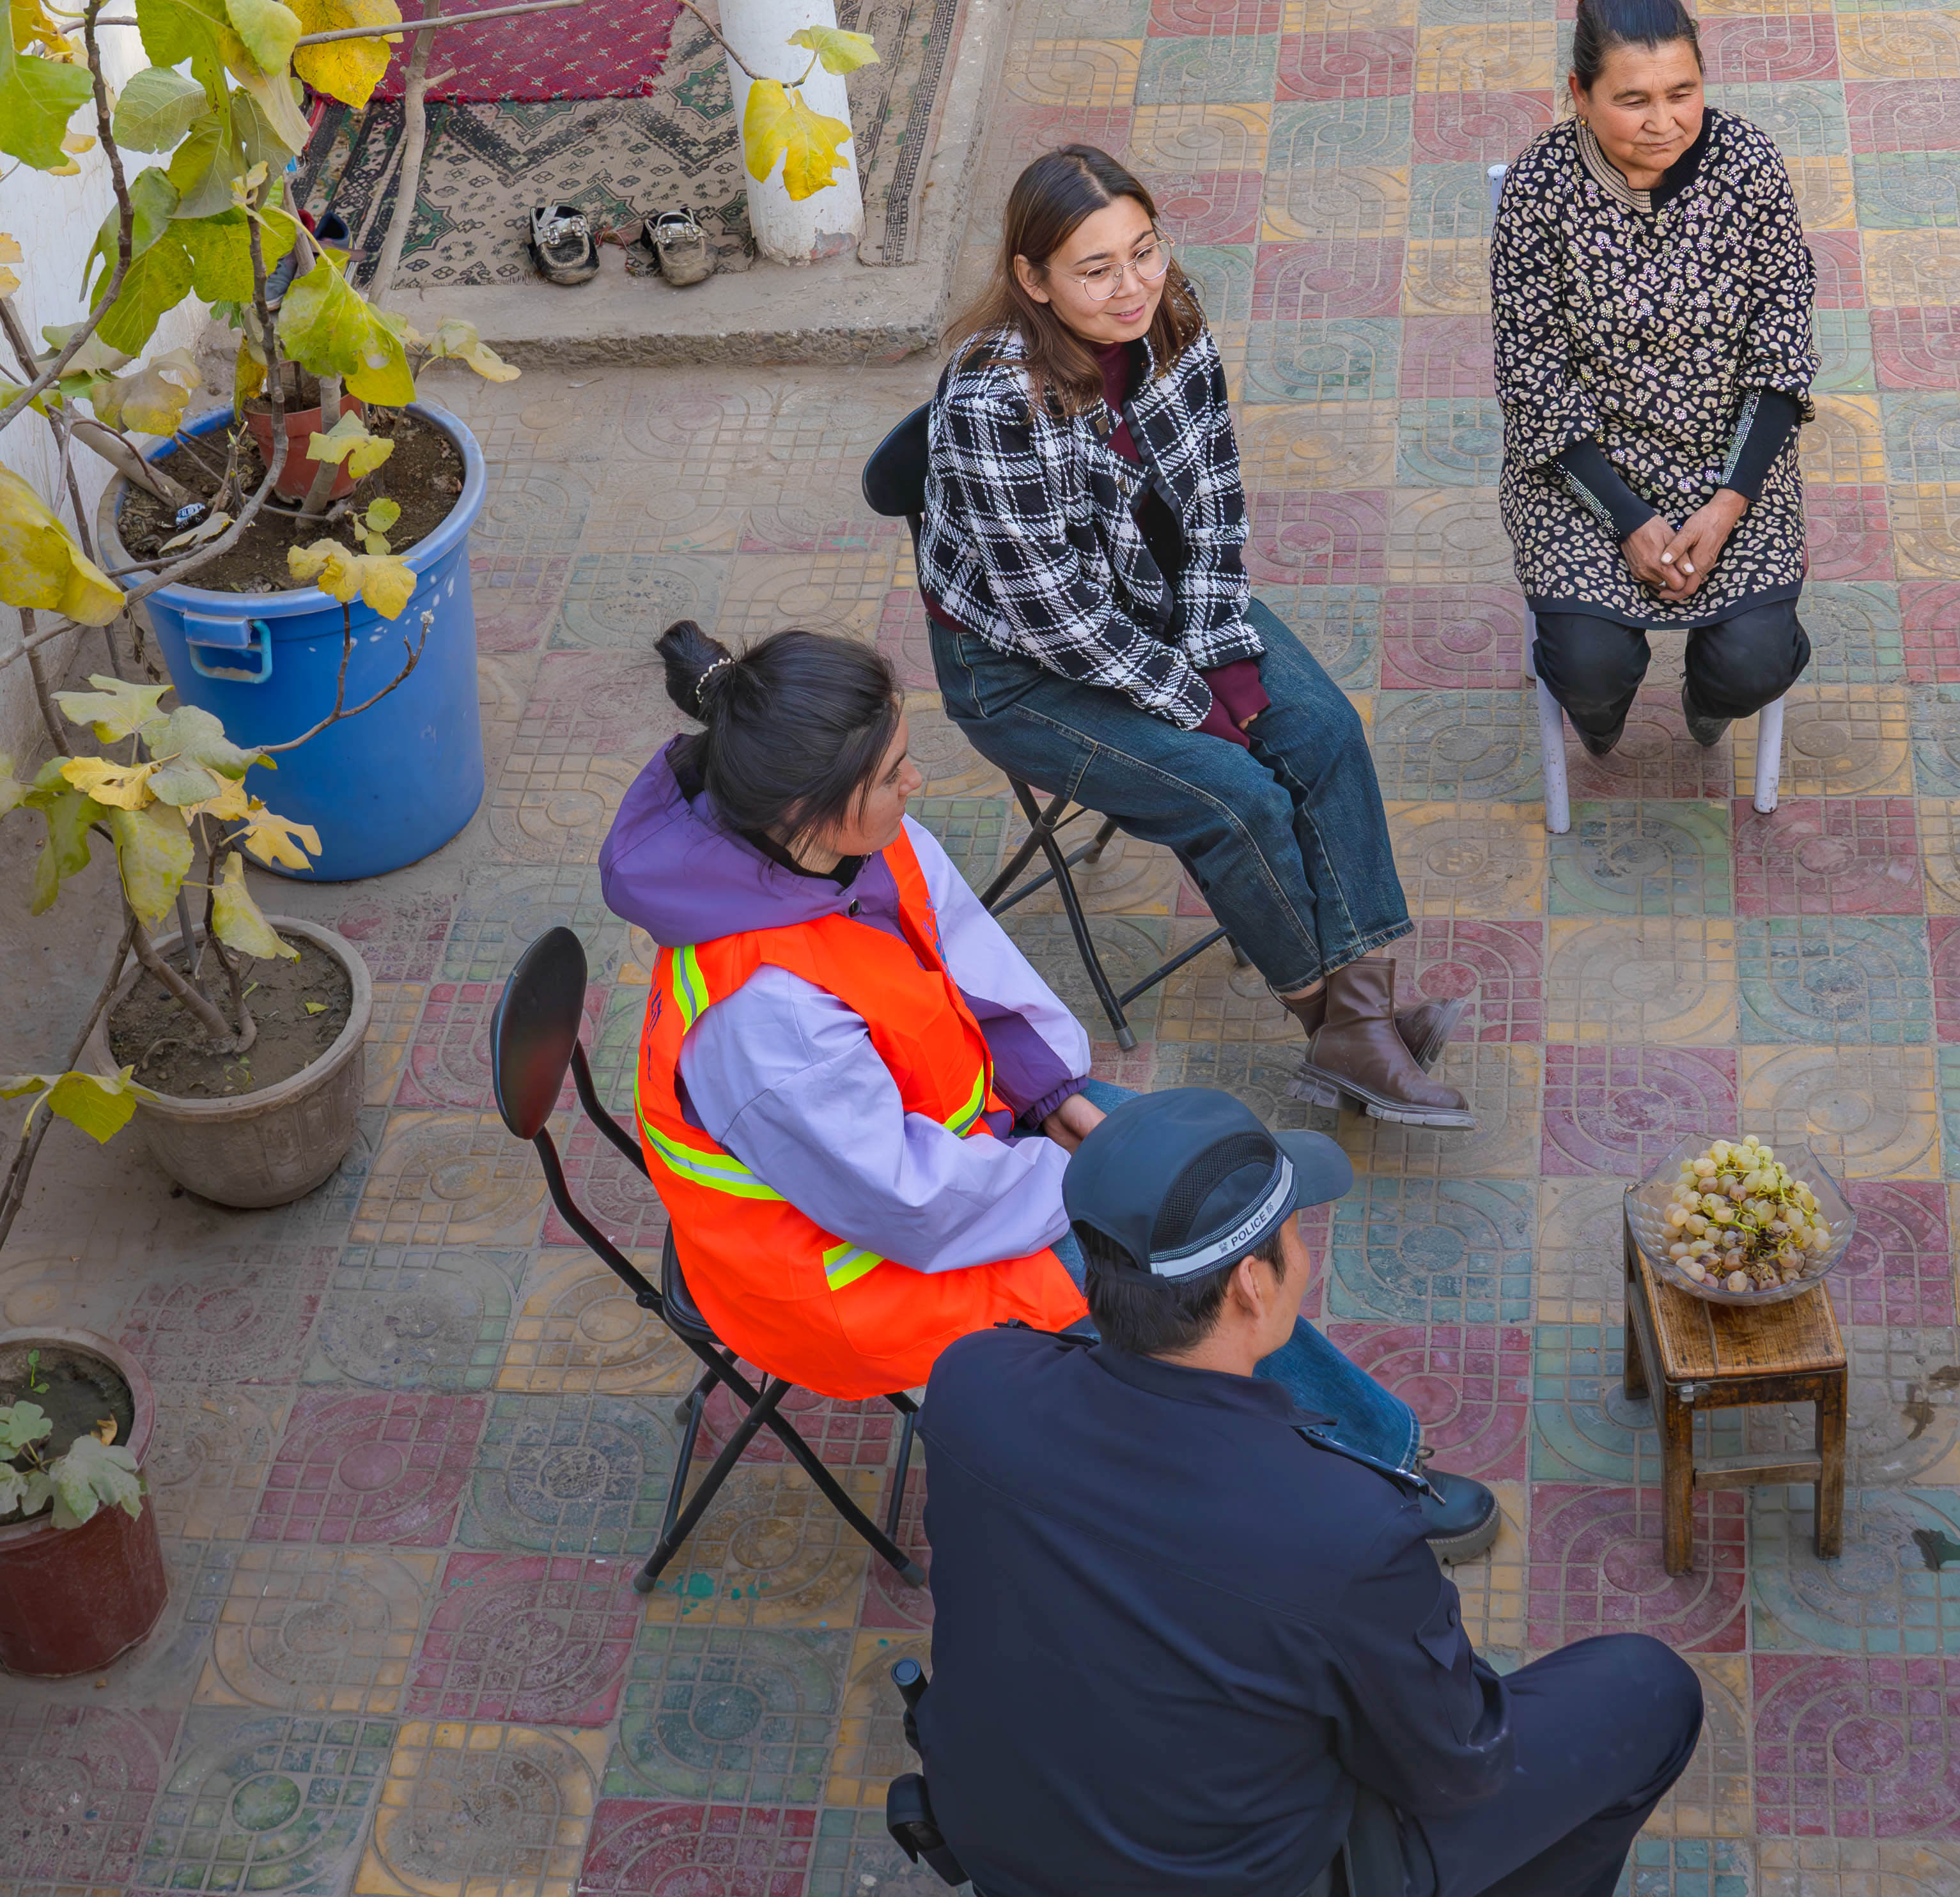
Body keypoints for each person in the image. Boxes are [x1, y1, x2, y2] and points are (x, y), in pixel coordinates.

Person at [598, 622, 1495, 1553]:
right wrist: (1079, 1182)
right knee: (1173, 1273)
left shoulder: (848, 841)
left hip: (971, 1152)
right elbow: (901, 1200)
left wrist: (1049, 1093)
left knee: (1195, 1187)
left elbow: (968, 960)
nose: (917, 782)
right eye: (893, 774)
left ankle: (1352, 1454)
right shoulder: (758, 1015)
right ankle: (1354, 1485)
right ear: (808, 812)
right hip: (848, 1262)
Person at [914, 1088, 1706, 1897]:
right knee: (1649, 1690)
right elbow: (1456, 1768)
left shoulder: (971, 1381)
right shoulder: (1341, 1528)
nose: (1307, 1249)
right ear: (1251, 1283)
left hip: (1001, 1849)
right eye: (1296, 1230)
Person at [921, 146, 1470, 1131]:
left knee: (1324, 729)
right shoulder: (992, 402)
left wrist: (1222, 652)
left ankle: (1363, 1015)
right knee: (1236, 795)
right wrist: (1200, 703)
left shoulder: (1169, 314)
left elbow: (1212, 497)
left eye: (1144, 250)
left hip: (1155, 591)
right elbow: (1057, 619)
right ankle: (1333, 1025)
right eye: (1096, 270)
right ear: (1033, 279)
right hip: (1020, 666)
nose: (1133, 286)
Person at [1491, 0, 1819, 755]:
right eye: (1632, 99)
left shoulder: (1749, 166)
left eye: (1682, 92)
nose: (1663, 123)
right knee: (1588, 667)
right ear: (1580, 93)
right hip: (1581, 472)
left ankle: (1710, 706)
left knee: (1754, 664)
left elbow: (1782, 350)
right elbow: (1531, 375)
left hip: (1731, 463)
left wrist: (1728, 503)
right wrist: (1628, 519)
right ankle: (1599, 724)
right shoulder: (1538, 188)